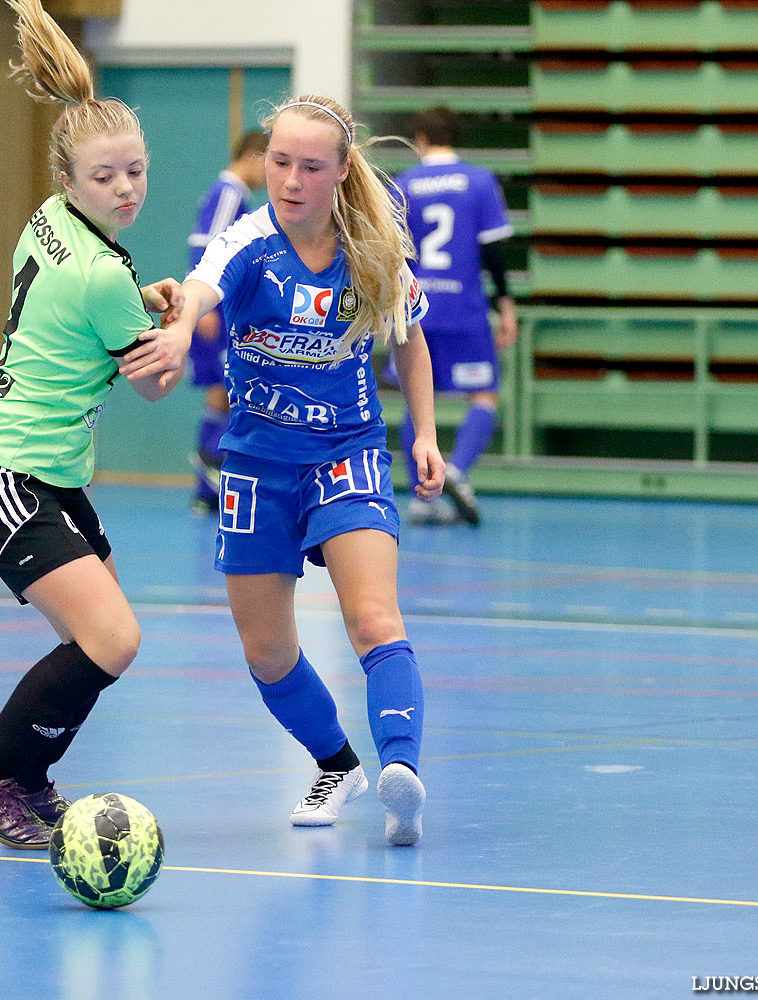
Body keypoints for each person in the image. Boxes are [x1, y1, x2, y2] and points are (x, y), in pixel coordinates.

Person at [122, 94, 446, 847]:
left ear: (339, 174)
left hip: (348, 451)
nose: (291, 180)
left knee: (372, 619)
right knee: (266, 651)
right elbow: (200, 288)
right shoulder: (248, 242)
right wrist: (173, 336)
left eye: (310, 167)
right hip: (259, 465)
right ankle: (338, 764)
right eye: (279, 162)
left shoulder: (371, 248)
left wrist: (424, 433)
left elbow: (410, 343)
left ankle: (403, 776)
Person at [0, 0, 187, 850]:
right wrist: (178, 331)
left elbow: (91, 295)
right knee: (111, 636)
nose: (126, 189)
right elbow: (151, 383)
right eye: (106, 177)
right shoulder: (103, 274)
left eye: (137, 172)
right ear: (69, 182)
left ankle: (29, 774)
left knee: (103, 638)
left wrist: (141, 299)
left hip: (54, 472)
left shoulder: (49, 227)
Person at [392, 105, 517, 528]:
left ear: (421, 139)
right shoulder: (479, 182)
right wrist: (506, 304)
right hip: (465, 308)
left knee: (416, 402)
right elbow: (493, 251)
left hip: (417, 310)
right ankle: (457, 471)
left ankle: (422, 500)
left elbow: (392, 253)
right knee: (483, 395)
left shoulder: (403, 185)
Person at [186, 129, 269, 513]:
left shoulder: (235, 194)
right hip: (214, 311)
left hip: (219, 311)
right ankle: (208, 464)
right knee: (232, 391)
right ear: (253, 157)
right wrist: (201, 307)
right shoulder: (230, 191)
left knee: (220, 394)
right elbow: (204, 246)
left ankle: (208, 488)